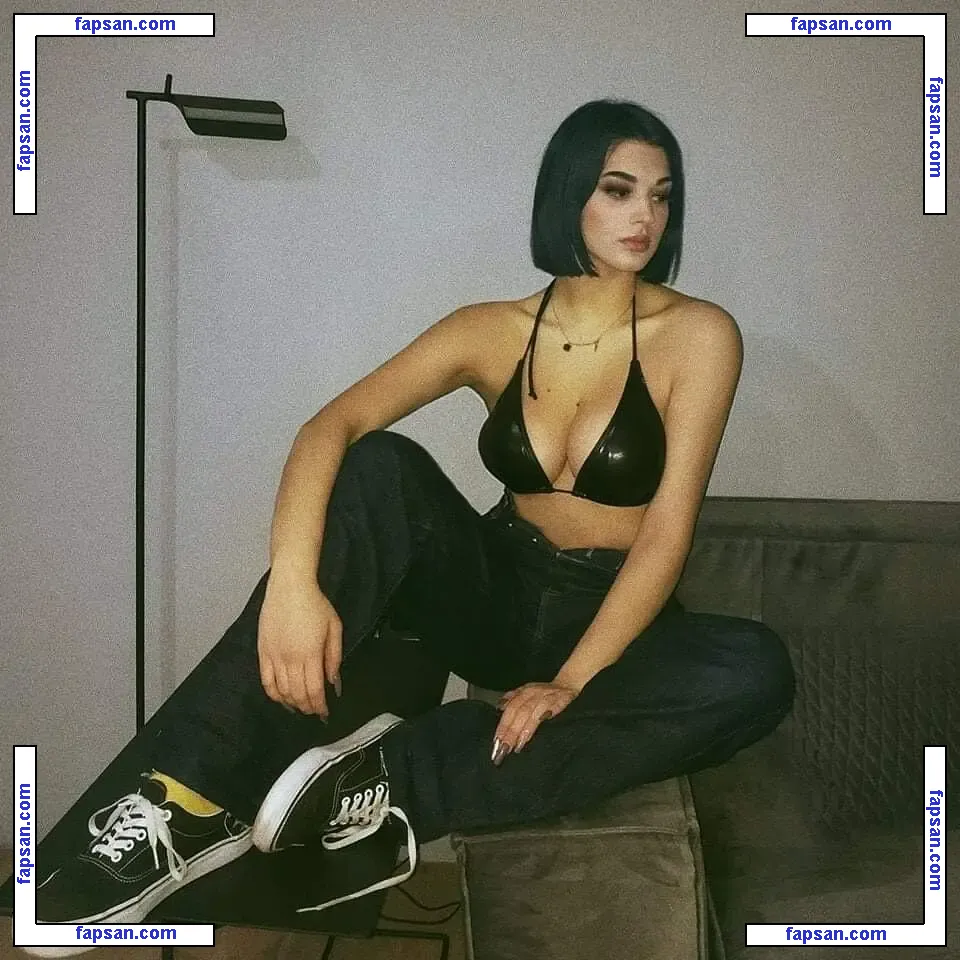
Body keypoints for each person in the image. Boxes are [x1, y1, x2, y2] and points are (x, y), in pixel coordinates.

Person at [26, 98, 795, 957]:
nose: (644, 215)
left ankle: (395, 780)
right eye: (619, 190)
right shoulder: (490, 330)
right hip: (498, 596)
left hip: (614, 619)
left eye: (660, 194)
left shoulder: (700, 336)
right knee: (381, 466)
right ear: (569, 193)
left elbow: (664, 535)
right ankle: (177, 803)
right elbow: (329, 428)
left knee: (755, 669)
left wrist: (570, 684)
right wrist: (292, 587)